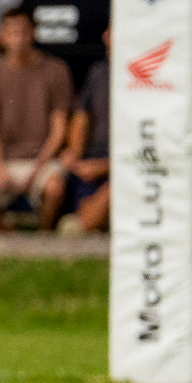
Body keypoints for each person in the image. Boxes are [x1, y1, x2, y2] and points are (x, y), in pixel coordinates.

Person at [0, 7, 72, 230]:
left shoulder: (56, 70)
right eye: (11, 32)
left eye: (23, 31)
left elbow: (59, 128)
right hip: (3, 160)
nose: (17, 38)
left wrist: (38, 167)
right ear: (2, 35)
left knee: (55, 188)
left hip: (42, 160)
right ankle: (6, 236)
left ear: (33, 33)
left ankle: (43, 239)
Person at [57, 30, 111, 233]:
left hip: (124, 164)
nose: (106, 36)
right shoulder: (98, 72)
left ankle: (79, 229)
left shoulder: (153, 79)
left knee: (114, 189)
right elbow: (81, 117)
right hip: (92, 160)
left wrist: (106, 166)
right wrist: (74, 154)